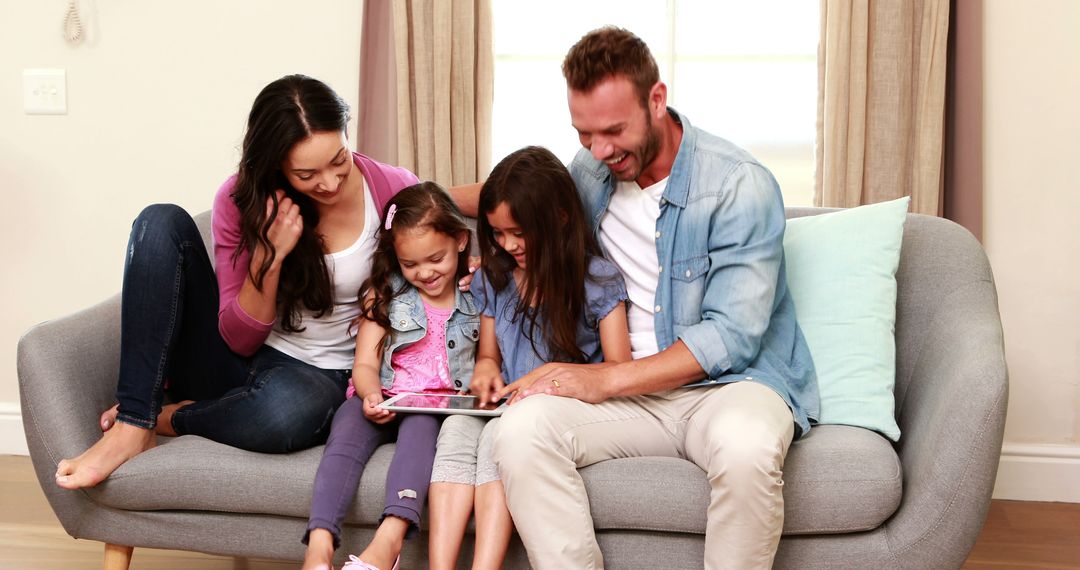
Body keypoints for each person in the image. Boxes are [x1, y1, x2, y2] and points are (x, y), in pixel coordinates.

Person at [489, 28, 819, 569]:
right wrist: (409, 196)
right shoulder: (592, 171)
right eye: (584, 134)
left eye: (614, 131)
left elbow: (732, 337)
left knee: (747, 450)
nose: (600, 150)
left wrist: (601, 379)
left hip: (728, 388)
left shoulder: (739, 185)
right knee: (521, 430)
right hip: (631, 398)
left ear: (657, 100)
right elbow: (523, 199)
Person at [54, 74, 425, 490]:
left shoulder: (391, 188)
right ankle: (133, 423)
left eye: (339, 160)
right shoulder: (240, 200)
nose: (330, 182)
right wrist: (269, 257)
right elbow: (238, 341)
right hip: (238, 359)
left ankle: (171, 417)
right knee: (158, 222)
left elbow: (438, 212)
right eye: (306, 174)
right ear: (277, 165)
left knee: (286, 414)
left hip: (325, 376)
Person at [426, 146, 632, 570]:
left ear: (558, 217)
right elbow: (488, 354)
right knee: (456, 431)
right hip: (501, 404)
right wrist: (484, 371)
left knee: (498, 446)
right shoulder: (495, 277)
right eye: (498, 233)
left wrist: (551, 379)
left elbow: (620, 370)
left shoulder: (597, 281)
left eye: (518, 232)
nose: (509, 244)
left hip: (551, 414)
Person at [301, 182, 479, 570]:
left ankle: (388, 543)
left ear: (461, 241)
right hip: (380, 394)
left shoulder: (478, 297)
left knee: (420, 433)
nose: (425, 273)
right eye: (410, 264)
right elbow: (364, 363)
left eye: (436, 258)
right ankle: (317, 549)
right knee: (344, 438)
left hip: (430, 408)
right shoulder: (386, 294)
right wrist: (368, 395)